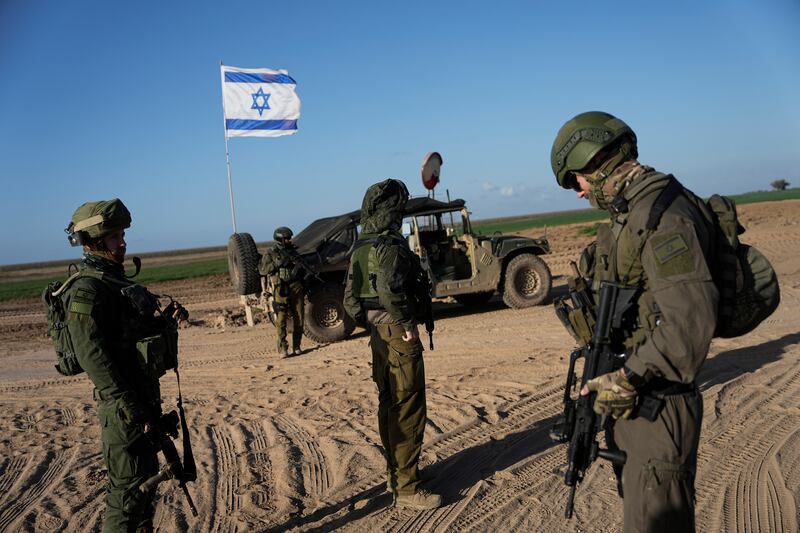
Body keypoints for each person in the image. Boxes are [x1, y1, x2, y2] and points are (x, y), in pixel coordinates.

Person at [550, 112, 718, 532]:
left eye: (575, 180)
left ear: (596, 159)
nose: (578, 192)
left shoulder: (663, 216)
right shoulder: (633, 212)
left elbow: (687, 330)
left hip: (658, 406)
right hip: (639, 402)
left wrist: (622, 380)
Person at [60, 198, 186, 532]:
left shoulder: (116, 283)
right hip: (124, 408)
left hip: (142, 399)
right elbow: (92, 356)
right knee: (128, 494)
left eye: (122, 235)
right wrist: (130, 405)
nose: (123, 242)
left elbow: (129, 338)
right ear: (95, 242)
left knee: (145, 485)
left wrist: (165, 324)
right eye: (115, 237)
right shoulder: (87, 289)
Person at [343, 179, 442, 510]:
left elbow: (351, 301)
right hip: (398, 336)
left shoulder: (361, 246)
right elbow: (389, 290)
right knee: (408, 407)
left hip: (378, 336)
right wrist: (404, 324)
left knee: (390, 404)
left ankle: (398, 475)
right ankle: (408, 489)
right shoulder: (390, 246)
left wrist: (372, 324)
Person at [259, 226, 305, 357]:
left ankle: (297, 346)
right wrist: (280, 262)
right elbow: (264, 270)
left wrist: (298, 264)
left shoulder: (293, 251)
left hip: (296, 286)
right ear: (281, 239)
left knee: (299, 317)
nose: (290, 240)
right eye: (287, 238)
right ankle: (282, 348)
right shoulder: (271, 253)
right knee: (281, 318)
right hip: (281, 288)